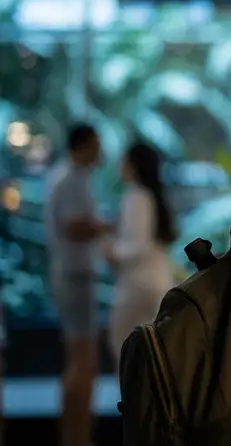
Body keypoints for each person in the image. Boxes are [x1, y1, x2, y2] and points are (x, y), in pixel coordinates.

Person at [44, 123, 106, 446]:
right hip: (75, 276)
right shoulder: (71, 178)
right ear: (83, 145)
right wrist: (108, 226)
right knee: (84, 361)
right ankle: (77, 436)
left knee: (79, 359)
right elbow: (75, 225)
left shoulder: (67, 175)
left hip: (71, 275)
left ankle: (75, 434)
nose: (101, 152)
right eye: (96, 144)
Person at [103, 142, 176, 371]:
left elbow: (137, 245)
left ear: (134, 165)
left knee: (125, 352)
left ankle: (135, 406)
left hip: (135, 286)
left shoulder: (136, 196)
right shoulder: (157, 196)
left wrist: (112, 252)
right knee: (157, 357)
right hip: (159, 283)